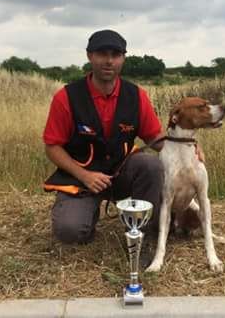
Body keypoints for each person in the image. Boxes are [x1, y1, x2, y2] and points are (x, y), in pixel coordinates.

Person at [42, 29, 165, 249]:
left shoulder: (137, 96)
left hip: (122, 174)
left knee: (151, 165)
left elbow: (156, 138)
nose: (109, 61)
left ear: (123, 58)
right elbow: (52, 146)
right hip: (81, 180)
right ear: (90, 56)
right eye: (102, 54)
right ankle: (86, 213)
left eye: (115, 55)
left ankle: (142, 234)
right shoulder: (66, 97)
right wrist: (85, 175)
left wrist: (188, 145)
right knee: (70, 232)